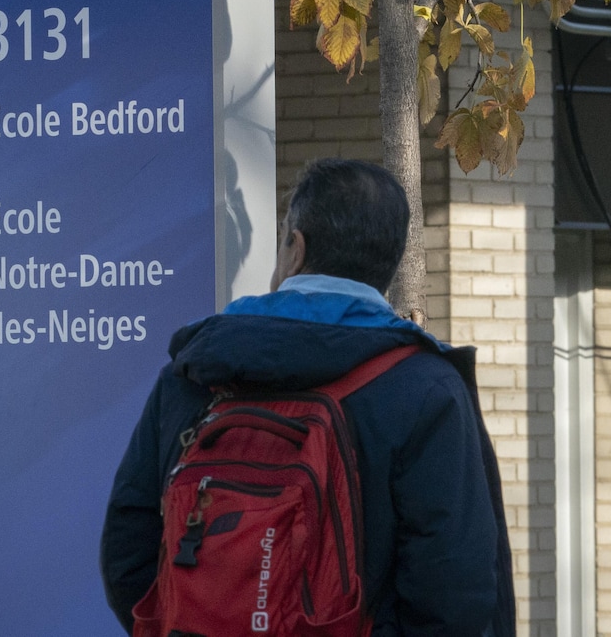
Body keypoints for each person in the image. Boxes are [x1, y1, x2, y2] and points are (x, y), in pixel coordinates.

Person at [100, 158, 514, 636]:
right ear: (391, 261)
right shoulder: (425, 389)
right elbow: (454, 593)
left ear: (295, 248)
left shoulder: (194, 373)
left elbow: (127, 552)